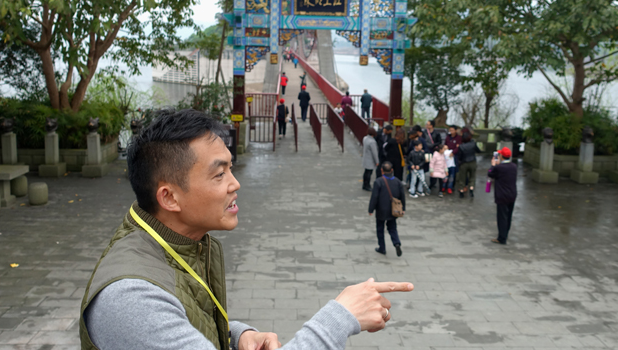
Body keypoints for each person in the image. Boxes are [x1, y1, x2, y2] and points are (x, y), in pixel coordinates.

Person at [80, 109, 415, 350]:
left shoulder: (186, 242)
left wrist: (236, 335)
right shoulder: (131, 299)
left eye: (231, 168)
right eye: (219, 174)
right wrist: (339, 318)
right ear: (169, 197)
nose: (235, 184)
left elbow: (186, 319)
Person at [368, 161, 406, 257]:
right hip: (394, 209)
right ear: (392, 170)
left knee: (380, 229)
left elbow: (375, 197)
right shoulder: (397, 181)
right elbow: (402, 196)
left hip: (381, 209)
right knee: (392, 228)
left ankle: (382, 248)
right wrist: (403, 208)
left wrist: (371, 209)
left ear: (382, 170)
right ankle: (396, 243)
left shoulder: (378, 181)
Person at [488, 147, 517, 245]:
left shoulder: (499, 168)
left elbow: (490, 174)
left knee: (502, 217)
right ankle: (505, 233)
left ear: (501, 156)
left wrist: (493, 165)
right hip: (512, 194)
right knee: (508, 216)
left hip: (502, 195)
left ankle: (502, 237)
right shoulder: (514, 166)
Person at [456, 131, 480, 199]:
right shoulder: (473, 144)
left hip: (464, 163)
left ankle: (461, 191)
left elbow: (459, 157)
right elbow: (478, 151)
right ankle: (471, 189)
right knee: (472, 177)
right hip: (472, 162)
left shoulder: (461, 146)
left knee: (462, 178)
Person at [423, 120, 441, 192]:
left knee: (433, 167)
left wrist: (434, 145)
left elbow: (439, 142)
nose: (426, 125)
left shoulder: (436, 133)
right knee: (425, 166)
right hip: (427, 151)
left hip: (433, 151)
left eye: (428, 124)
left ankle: (432, 182)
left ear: (431, 126)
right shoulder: (424, 132)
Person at [362, 127, 379, 191]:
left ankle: (364, 184)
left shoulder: (365, 138)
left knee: (366, 172)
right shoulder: (372, 142)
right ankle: (367, 185)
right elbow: (375, 153)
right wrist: (377, 161)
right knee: (369, 173)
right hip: (370, 160)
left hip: (366, 158)